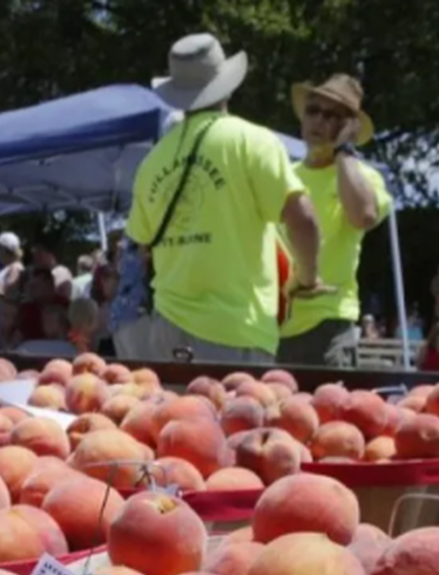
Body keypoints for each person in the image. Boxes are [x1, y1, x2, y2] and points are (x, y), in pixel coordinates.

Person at [127, 33, 324, 362]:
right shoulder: (252, 141)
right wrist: (306, 277)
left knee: (176, 415)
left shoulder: (152, 162)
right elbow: (302, 217)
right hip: (235, 332)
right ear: (227, 86)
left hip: (166, 329)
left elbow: (143, 245)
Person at [277, 75, 392, 366]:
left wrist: (344, 151)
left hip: (328, 325)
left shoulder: (362, 176)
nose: (317, 120)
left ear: (347, 127)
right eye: (312, 110)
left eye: (331, 115)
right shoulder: (284, 174)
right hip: (272, 324)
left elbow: (363, 215)